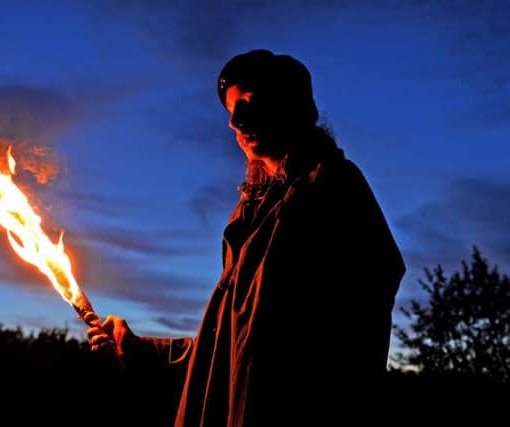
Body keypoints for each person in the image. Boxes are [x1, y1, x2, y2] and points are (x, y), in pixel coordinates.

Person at [87, 49, 406, 425]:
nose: (235, 121)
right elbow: (231, 349)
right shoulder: (249, 215)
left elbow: (361, 312)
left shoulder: (333, 187)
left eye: (251, 103)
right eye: (230, 110)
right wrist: (142, 351)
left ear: (292, 107)